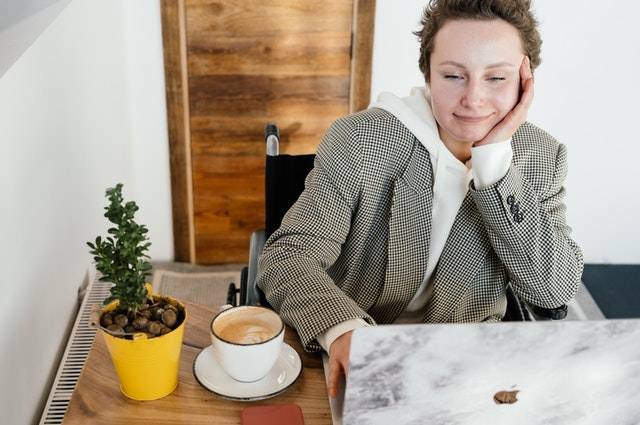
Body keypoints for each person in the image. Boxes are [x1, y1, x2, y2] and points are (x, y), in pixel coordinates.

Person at [256, 0, 584, 398]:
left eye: (496, 78)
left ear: (525, 78)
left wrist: (495, 164)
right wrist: (343, 331)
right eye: (453, 76)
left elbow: (554, 290)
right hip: (357, 350)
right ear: (428, 73)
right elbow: (287, 255)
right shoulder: (360, 139)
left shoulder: (542, 158)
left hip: (464, 371)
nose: (473, 100)